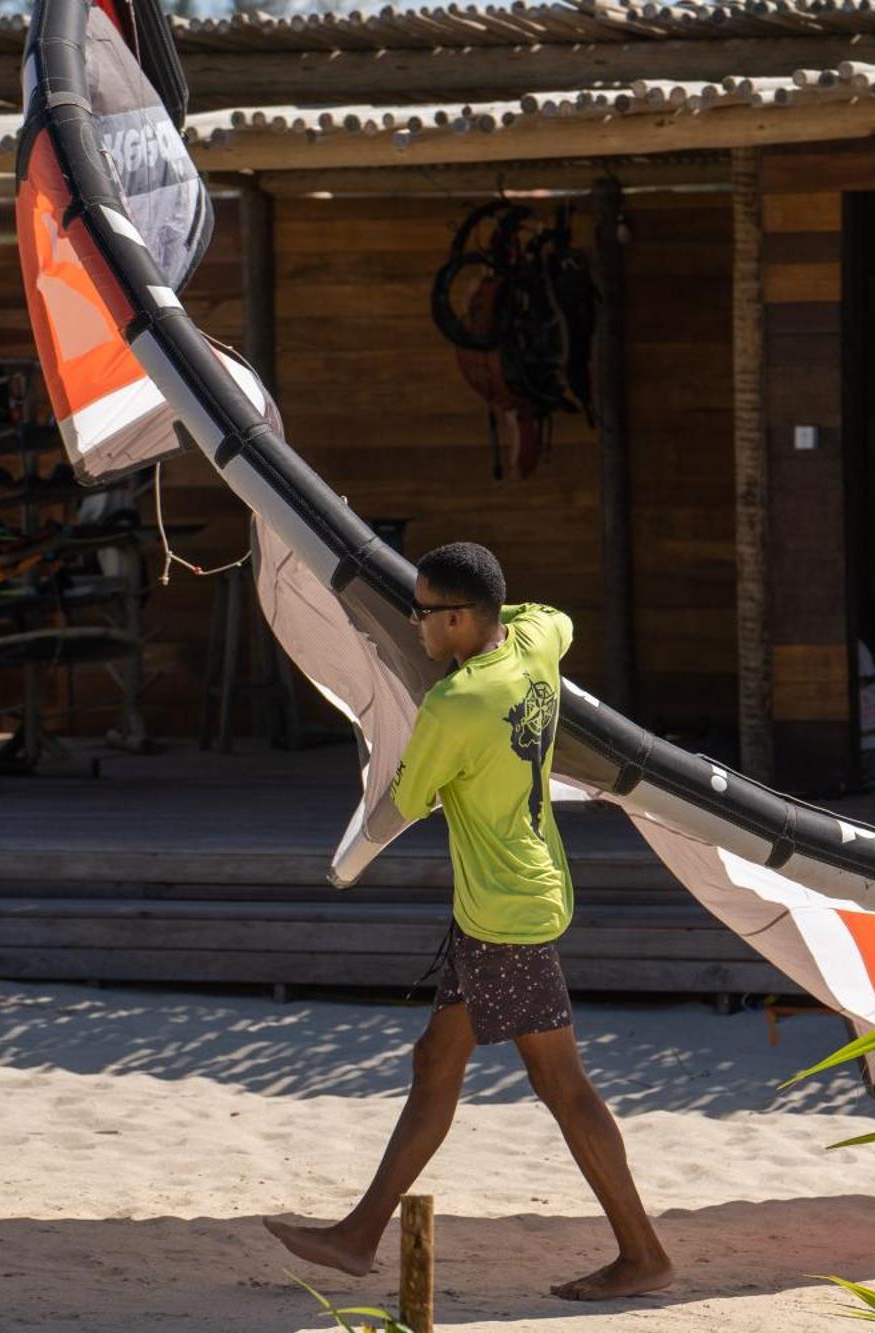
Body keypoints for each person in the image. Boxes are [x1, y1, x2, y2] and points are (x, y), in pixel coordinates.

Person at [265, 541, 674, 1302]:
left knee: (562, 1084)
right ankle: (358, 1236)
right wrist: (495, 617)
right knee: (435, 1061)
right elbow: (556, 618)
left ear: (457, 619)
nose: (414, 624)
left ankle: (644, 1253)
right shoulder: (533, 642)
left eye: (422, 612)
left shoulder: (456, 703)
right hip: (510, 893)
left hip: (505, 913)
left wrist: (349, 854)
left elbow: (409, 797)